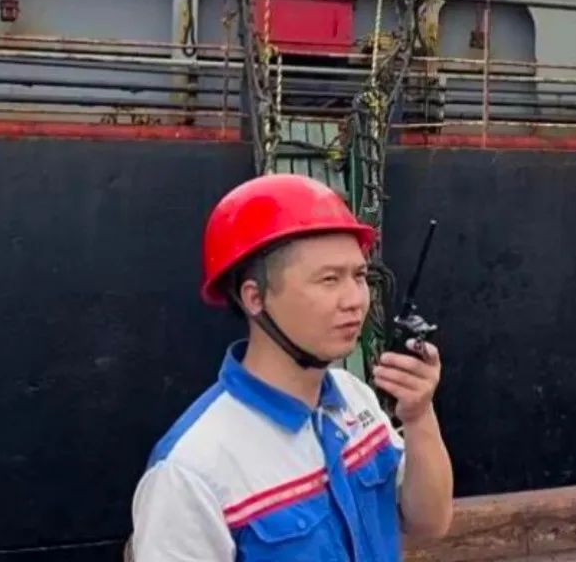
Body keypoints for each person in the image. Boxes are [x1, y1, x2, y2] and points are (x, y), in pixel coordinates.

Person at [128, 173, 453, 561]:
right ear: (255, 298)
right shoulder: (191, 470)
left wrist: (419, 416)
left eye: (359, 276)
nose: (354, 300)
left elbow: (430, 523)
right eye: (329, 279)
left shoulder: (355, 398)